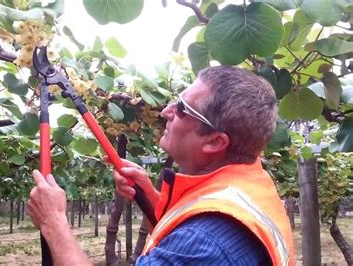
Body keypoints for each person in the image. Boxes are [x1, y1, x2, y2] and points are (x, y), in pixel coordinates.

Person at [27, 65, 294, 265]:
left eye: (182, 109)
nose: (166, 111)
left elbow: (196, 241)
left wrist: (53, 222)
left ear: (214, 142)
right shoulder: (249, 184)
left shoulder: (205, 242)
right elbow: (183, 231)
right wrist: (148, 196)